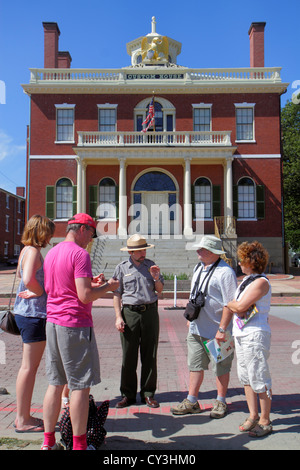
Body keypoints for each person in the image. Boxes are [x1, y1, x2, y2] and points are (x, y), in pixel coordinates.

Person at [41, 213, 119, 450]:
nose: (91, 240)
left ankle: (48, 442)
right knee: (80, 387)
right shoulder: (79, 253)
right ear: (83, 229)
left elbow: (59, 286)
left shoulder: (52, 252)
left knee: (55, 383)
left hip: (53, 321)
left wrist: (90, 282)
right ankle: (79, 445)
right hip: (74, 324)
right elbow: (84, 296)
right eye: (91, 233)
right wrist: (108, 286)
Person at [171, 235, 237, 418]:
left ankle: (221, 401)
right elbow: (195, 295)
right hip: (196, 329)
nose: (198, 251)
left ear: (213, 252)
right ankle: (192, 401)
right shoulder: (199, 268)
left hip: (218, 331)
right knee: (195, 365)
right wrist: (191, 318)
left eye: (202, 249)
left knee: (221, 367)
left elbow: (229, 304)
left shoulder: (225, 272)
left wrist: (222, 329)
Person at [14, 215, 55, 433]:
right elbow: (28, 277)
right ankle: (23, 419)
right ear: (41, 232)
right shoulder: (33, 252)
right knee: (29, 368)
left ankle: (23, 416)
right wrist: (38, 291)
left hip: (25, 313)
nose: (49, 237)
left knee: (27, 367)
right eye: (48, 232)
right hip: (33, 315)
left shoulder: (24, 250)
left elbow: (21, 274)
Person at [227, 241, 272, 437]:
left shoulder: (261, 282)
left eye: (242, 260)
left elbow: (240, 307)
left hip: (255, 334)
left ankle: (265, 420)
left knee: (259, 376)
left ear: (252, 261)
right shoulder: (246, 281)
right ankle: (253, 415)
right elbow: (236, 306)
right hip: (242, 333)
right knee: (246, 377)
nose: (239, 263)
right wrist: (234, 304)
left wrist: (232, 304)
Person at [113, 234, 164, 408]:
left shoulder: (151, 266)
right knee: (129, 355)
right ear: (131, 252)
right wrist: (118, 317)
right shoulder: (121, 268)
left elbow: (160, 291)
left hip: (149, 312)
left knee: (150, 354)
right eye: (139, 250)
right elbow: (117, 294)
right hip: (129, 313)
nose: (143, 253)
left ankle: (148, 393)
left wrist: (156, 278)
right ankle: (127, 394)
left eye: (144, 249)